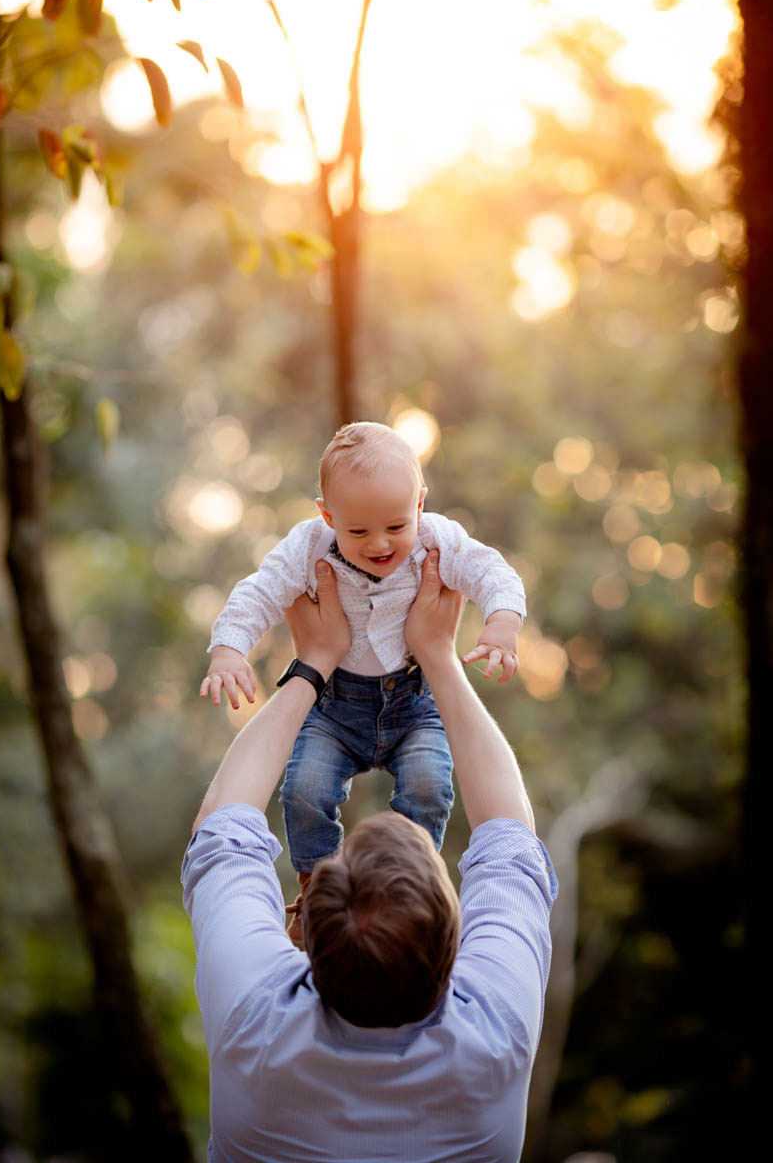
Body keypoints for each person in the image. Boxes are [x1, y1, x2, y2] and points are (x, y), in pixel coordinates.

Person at [183, 549, 557, 1163]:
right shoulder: (497, 1038)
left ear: (308, 931)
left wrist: (315, 661)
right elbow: (510, 838)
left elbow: (222, 829)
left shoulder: (254, 1024)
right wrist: (437, 652)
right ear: (451, 942)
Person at [200, 422, 527, 936]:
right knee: (303, 788)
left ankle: (408, 885)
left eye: (396, 527)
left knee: (428, 786)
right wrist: (228, 650)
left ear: (420, 502)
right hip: (333, 709)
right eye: (357, 532)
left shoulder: (439, 539)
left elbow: (492, 572)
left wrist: (502, 622)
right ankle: (313, 889)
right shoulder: (307, 548)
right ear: (327, 515)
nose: (379, 543)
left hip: (415, 704)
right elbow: (258, 593)